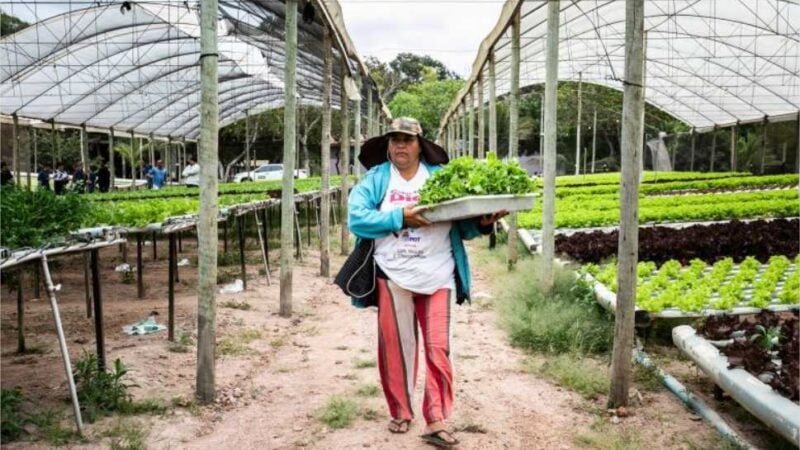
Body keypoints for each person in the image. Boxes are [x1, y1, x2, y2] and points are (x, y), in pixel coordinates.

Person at [347, 117, 506, 448]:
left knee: (437, 348)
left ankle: (436, 419)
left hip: (438, 274)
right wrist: (401, 216)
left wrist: (483, 222)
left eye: (407, 139)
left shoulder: (439, 178)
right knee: (395, 348)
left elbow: (462, 226)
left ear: (421, 144)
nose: (400, 145)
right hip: (392, 274)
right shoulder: (377, 179)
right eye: (394, 140)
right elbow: (358, 218)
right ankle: (401, 410)